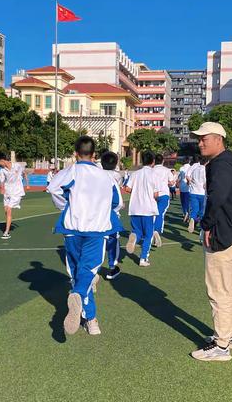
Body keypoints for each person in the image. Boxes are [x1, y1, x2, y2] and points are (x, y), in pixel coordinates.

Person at [48, 136, 123, 335]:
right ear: (95, 154)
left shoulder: (71, 171)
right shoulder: (106, 176)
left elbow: (53, 189)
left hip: (72, 229)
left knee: (77, 274)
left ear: (75, 154)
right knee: (88, 272)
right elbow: (118, 203)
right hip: (97, 230)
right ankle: (87, 312)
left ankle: (89, 316)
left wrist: (67, 206)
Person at [188, 122, 232, 362]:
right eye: (199, 139)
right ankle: (228, 336)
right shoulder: (230, 163)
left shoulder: (220, 165)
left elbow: (217, 197)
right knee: (228, 288)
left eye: (204, 138)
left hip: (223, 234)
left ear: (219, 139)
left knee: (218, 290)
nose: (200, 142)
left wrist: (206, 225)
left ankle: (221, 345)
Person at [124, 151, 159, 267]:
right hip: (148, 209)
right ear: (153, 162)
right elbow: (156, 195)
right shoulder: (154, 175)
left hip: (135, 207)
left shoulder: (135, 174)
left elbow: (127, 189)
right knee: (148, 235)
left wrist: (137, 192)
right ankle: (143, 258)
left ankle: (134, 238)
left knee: (137, 231)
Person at [100, 150, 124, 280]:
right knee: (113, 240)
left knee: (95, 242)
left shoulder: (93, 175)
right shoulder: (114, 177)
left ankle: (93, 270)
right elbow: (118, 202)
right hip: (109, 215)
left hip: (91, 215)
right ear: (115, 164)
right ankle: (111, 268)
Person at [0, 152, 29, 239]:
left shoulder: (17, 166)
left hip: (16, 192)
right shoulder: (2, 170)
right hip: (7, 192)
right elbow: (2, 181)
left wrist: (27, 184)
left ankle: (6, 232)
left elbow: (24, 173)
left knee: (9, 210)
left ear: (2, 160)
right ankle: (8, 225)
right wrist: (2, 188)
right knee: (6, 211)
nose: (0, 165)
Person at [152, 154, 175, 246]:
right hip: (163, 194)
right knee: (160, 214)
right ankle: (157, 231)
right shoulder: (167, 170)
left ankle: (151, 231)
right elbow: (172, 183)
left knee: (152, 214)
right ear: (163, 161)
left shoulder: (151, 171)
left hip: (152, 194)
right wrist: (168, 183)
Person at [187, 157, 207, 233]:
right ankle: (201, 229)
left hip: (193, 192)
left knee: (194, 209)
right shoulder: (205, 170)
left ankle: (192, 218)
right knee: (202, 211)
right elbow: (205, 184)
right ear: (206, 162)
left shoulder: (195, 169)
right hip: (202, 193)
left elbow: (189, 177)